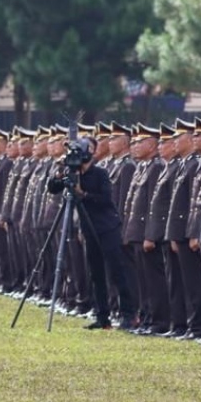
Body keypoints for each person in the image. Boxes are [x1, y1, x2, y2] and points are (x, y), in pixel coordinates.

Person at [49, 136, 135, 330]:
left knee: (116, 271)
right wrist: (59, 173)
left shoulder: (100, 174)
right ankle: (102, 316)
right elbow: (53, 189)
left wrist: (83, 194)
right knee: (95, 273)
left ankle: (128, 314)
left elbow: (106, 199)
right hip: (88, 229)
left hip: (107, 228)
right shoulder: (72, 173)